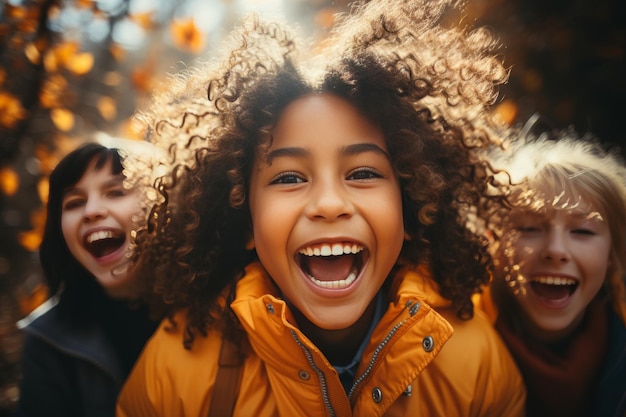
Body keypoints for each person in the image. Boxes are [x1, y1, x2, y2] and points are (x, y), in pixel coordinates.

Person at [117, 0, 525, 415]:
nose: (329, 205)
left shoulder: (476, 365)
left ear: (412, 207)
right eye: (289, 178)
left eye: (363, 173)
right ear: (245, 221)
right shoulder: (173, 373)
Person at [480, 128, 626, 417]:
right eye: (529, 229)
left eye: (582, 231)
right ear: (494, 242)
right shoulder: (451, 346)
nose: (556, 250)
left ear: (612, 254)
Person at [15, 142, 160, 417]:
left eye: (116, 192)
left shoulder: (220, 310)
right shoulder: (47, 341)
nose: (91, 210)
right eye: (74, 203)